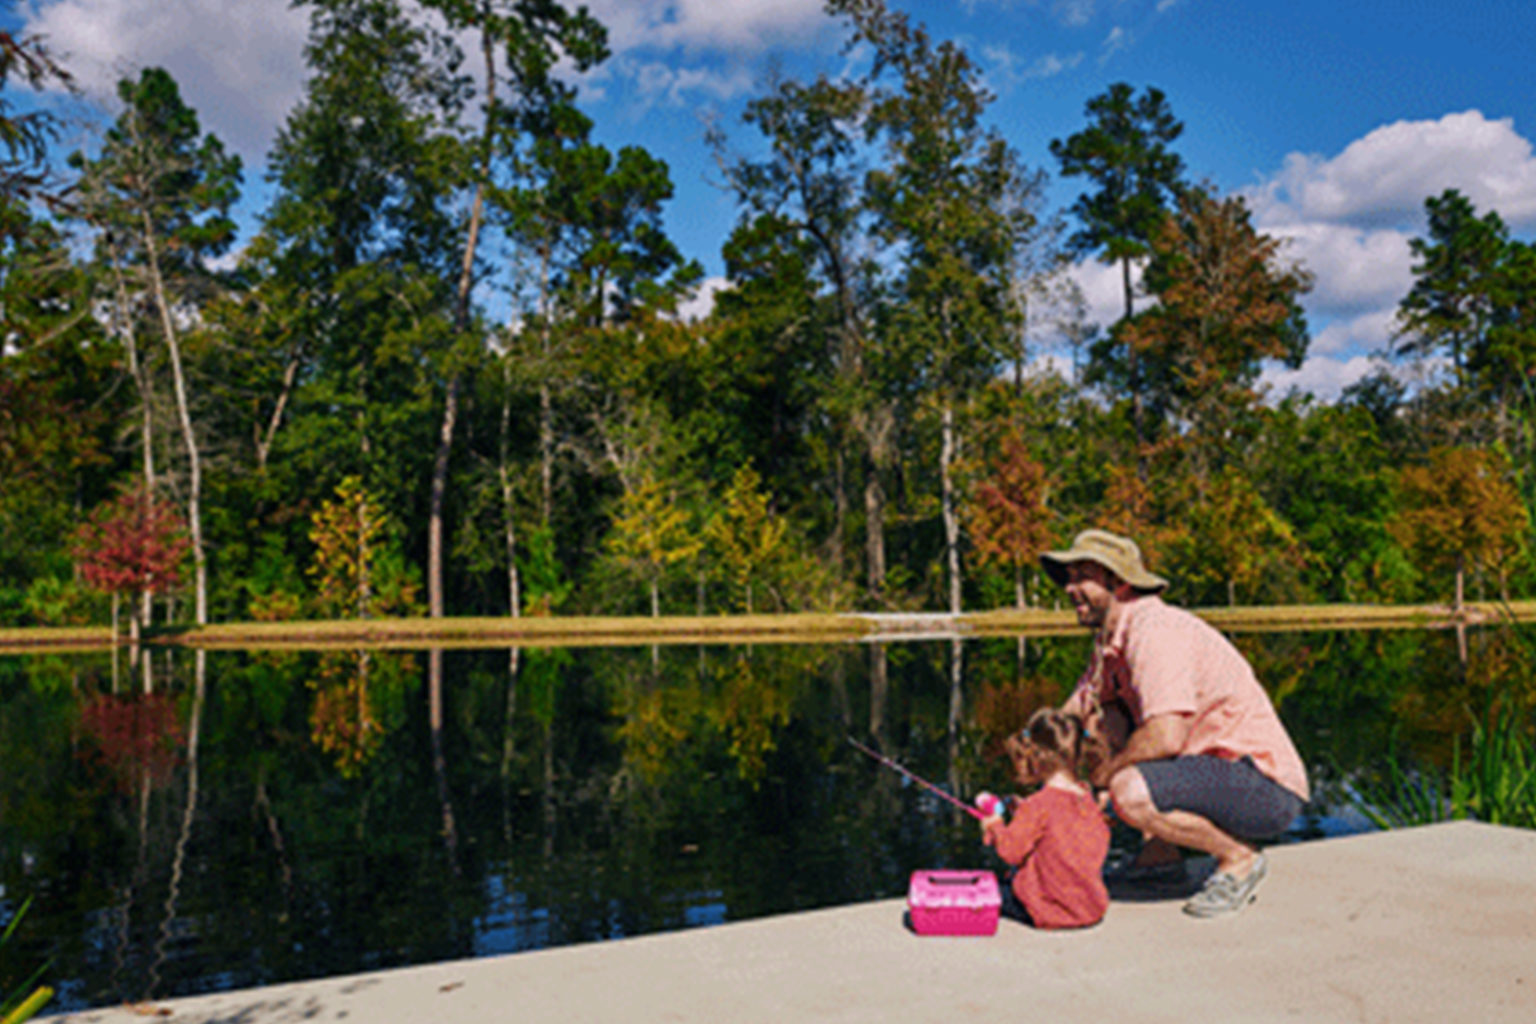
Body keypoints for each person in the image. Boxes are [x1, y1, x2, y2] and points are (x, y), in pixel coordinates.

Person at [1039, 528, 1309, 919]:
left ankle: (1239, 860)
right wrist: (1040, 770)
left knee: (1128, 789)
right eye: (1068, 577)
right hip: (1210, 775)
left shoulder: (1156, 630)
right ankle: (1159, 862)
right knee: (1107, 715)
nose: (1068, 587)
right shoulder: (1110, 643)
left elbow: (1167, 736)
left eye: (1082, 576)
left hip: (1266, 787)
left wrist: (1104, 780)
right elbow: (1069, 714)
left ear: (1120, 582)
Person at [980, 707, 1111, 929]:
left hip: (1044, 909)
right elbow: (1064, 831)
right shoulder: (1088, 800)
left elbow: (1010, 852)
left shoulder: (1038, 805)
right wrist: (1021, 811)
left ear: (1035, 756)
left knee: (992, 888)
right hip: (1089, 909)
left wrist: (994, 825)